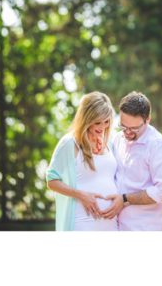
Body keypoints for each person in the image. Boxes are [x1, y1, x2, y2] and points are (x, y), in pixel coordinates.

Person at [100, 91, 162, 230]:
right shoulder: (117, 139)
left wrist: (125, 199)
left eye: (134, 128)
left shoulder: (158, 146)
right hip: (120, 228)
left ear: (148, 120)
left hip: (149, 229)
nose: (127, 132)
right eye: (123, 126)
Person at [46, 91, 119, 231]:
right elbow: (51, 180)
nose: (102, 127)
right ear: (86, 119)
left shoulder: (110, 142)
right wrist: (81, 195)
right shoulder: (69, 143)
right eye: (97, 122)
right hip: (82, 222)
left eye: (106, 121)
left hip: (110, 225)